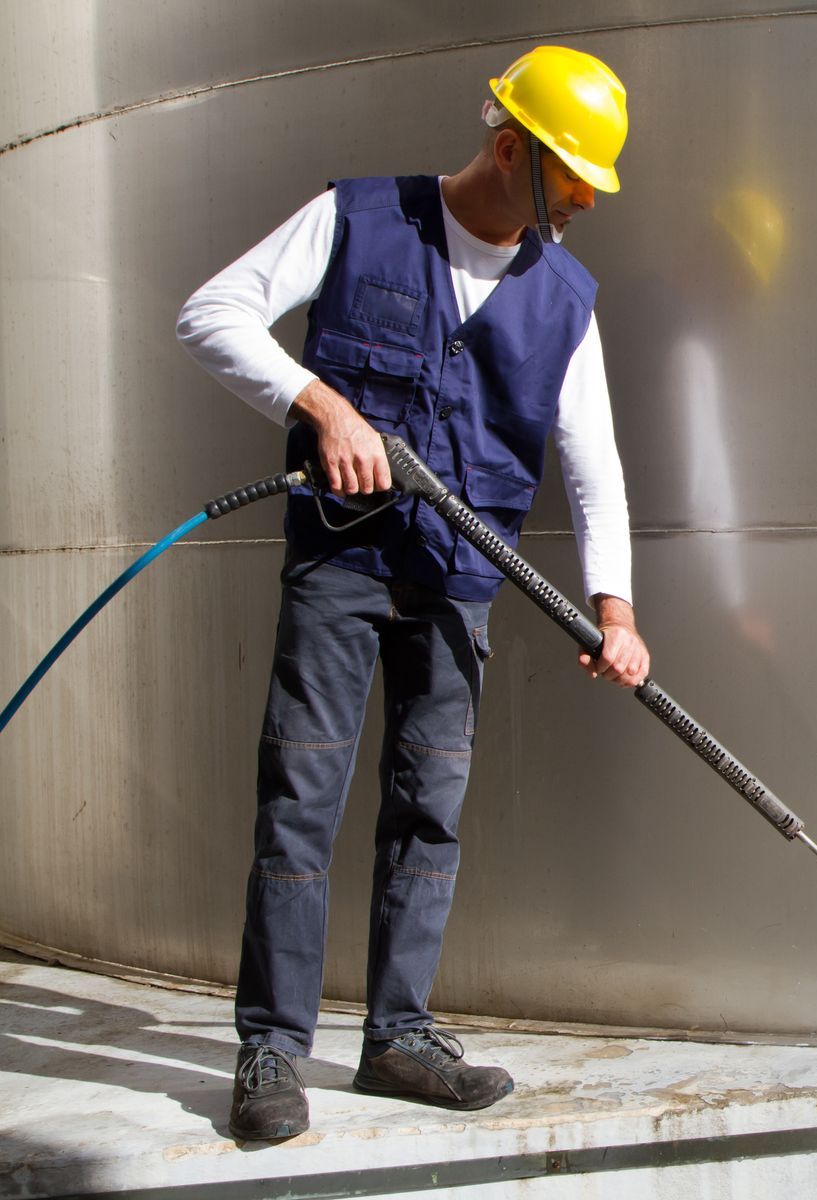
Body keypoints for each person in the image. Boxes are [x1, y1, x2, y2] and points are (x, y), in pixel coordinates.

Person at [176, 45, 649, 1142]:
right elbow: (213, 313)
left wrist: (615, 607)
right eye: (570, 177)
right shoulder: (358, 217)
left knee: (426, 814)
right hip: (341, 566)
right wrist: (321, 404)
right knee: (300, 805)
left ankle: (397, 1039)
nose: (581, 202)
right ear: (508, 148)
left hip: (457, 588)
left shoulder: (565, 295)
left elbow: (595, 464)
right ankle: (272, 1048)